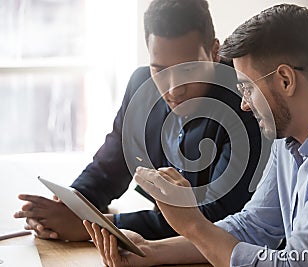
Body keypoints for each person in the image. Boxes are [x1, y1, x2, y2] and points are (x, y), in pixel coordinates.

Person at [84, 3, 308, 267]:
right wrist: (151, 252)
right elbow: (252, 227)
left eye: (247, 88)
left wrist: (191, 222)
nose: (245, 105)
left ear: (286, 81)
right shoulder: (289, 138)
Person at [14, 0, 266, 242]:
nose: (173, 89)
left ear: (213, 52)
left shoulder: (247, 105)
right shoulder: (141, 86)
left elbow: (212, 219)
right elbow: (108, 171)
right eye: (160, 70)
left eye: (188, 69)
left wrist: (95, 227)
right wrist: (64, 208)